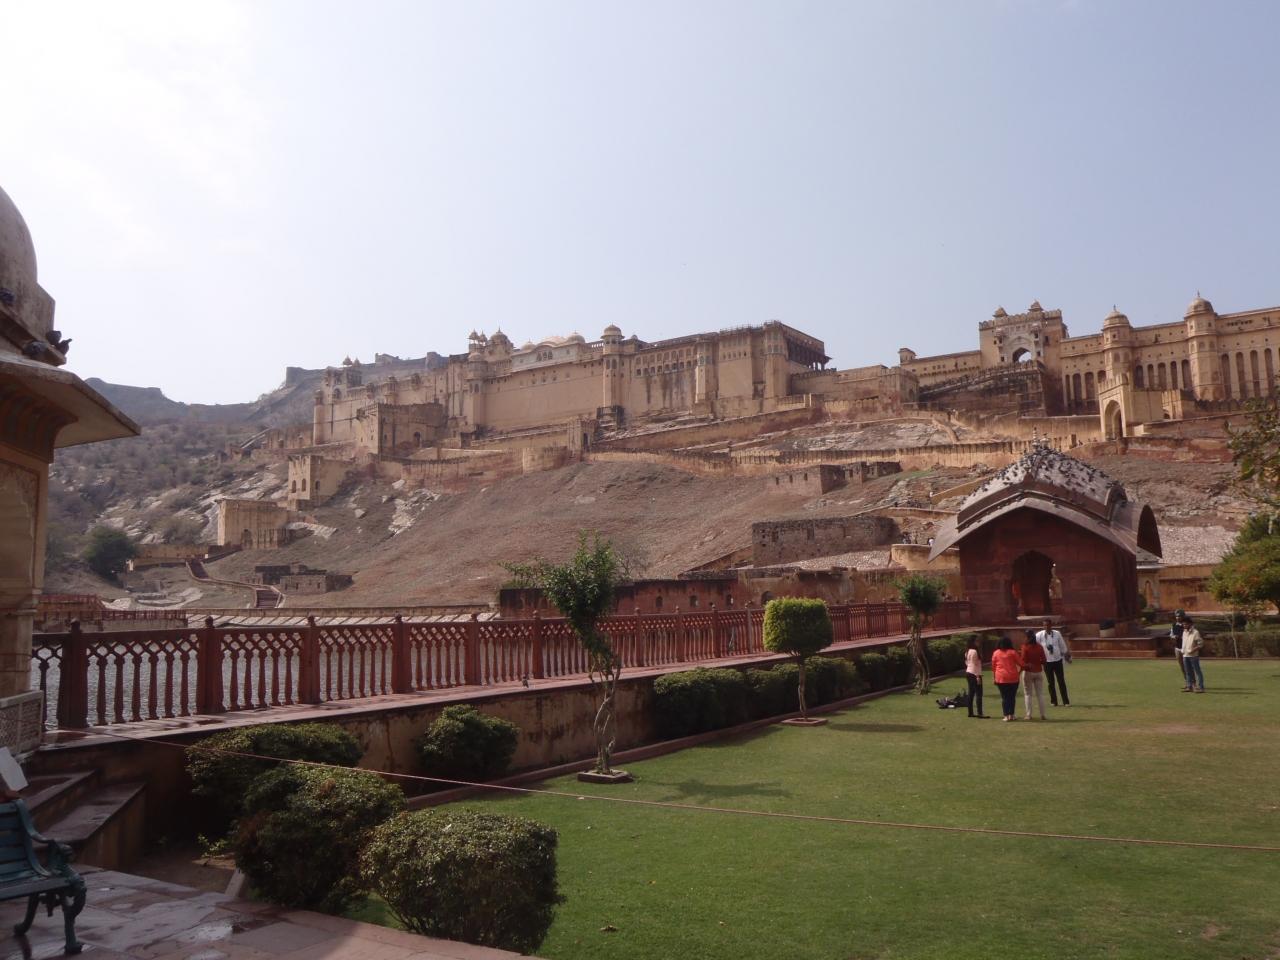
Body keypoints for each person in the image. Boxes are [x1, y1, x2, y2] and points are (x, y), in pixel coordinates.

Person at [1037, 618, 1070, 706]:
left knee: (1061, 681)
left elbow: (1062, 645)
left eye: (1048, 625)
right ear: (1043, 626)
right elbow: (1034, 644)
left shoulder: (1057, 633)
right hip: (1047, 662)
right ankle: (1054, 701)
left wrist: (1066, 655)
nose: (1046, 627)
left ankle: (1066, 701)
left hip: (1057, 660)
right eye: (1045, 625)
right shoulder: (1039, 635)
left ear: (1051, 625)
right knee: (1050, 682)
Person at [991, 636, 1024, 722]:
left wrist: (994, 678)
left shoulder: (996, 653)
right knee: (1012, 697)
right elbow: (1021, 663)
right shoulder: (1013, 652)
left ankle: (1006, 715)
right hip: (1013, 678)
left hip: (1001, 677)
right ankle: (1011, 715)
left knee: (1004, 697)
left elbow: (993, 667)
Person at [1021, 631, 1048, 719]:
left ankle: (1028, 715)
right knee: (1040, 694)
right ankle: (1043, 714)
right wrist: (1038, 663)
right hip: (1038, 671)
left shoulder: (1025, 647)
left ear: (1027, 637)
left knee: (1028, 694)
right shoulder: (1039, 647)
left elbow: (1023, 660)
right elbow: (1044, 660)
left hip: (1028, 671)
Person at [1181, 615, 1205, 693]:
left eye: (1186, 624)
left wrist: (1193, 650)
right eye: (1183, 624)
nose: (1184, 626)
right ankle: (1189, 686)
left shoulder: (1195, 632)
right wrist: (1183, 650)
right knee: (1188, 672)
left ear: (1190, 624)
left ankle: (1201, 687)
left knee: (1197, 671)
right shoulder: (1184, 632)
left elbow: (1201, 644)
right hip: (1185, 655)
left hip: (1193, 656)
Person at [964, 637, 986, 718]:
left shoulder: (967, 651)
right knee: (979, 694)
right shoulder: (974, 651)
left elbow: (967, 663)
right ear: (973, 642)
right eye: (976, 641)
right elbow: (975, 664)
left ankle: (970, 712)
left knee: (971, 693)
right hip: (974, 673)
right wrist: (977, 676)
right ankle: (980, 713)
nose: (978, 643)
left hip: (969, 672)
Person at [1170, 609, 1186, 681]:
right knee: (1182, 666)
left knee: (1188, 666)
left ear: (1183, 616)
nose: (1178, 618)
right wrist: (1174, 637)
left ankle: (1193, 682)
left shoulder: (1186, 625)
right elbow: (1171, 635)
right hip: (1177, 648)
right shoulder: (1174, 625)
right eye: (1176, 616)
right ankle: (1187, 681)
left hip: (1185, 648)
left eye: (1179, 616)